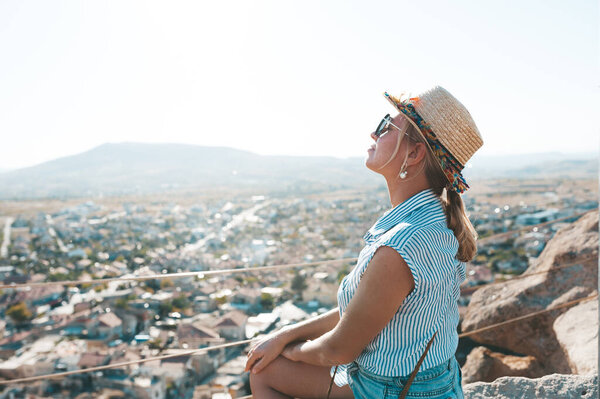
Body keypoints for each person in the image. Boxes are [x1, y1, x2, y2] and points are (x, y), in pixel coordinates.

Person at [245, 85, 484, 398]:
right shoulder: (433, 220)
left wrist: (289, 349)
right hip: (433, 384)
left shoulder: (402, 243)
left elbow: (337, 350)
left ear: (413, 154)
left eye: (386, 127)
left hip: (392, 391)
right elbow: (362, 311)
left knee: (264, 372)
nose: (375, 134)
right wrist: (287, 334)